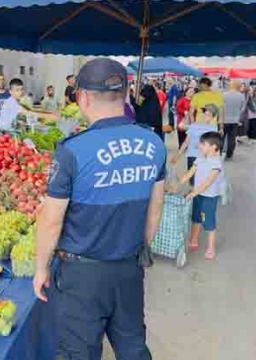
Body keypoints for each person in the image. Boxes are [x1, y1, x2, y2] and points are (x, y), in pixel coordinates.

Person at [33, 58, 165, 360]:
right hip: (128, 267)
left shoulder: (72, 150)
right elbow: (155, 207)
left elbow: (51, 222)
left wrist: (41, 268)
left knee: (78, 351)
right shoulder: (153, 142)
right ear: (126, 93)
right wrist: (137, 249)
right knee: (132, 344)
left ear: (84, 97)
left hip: (82, 275)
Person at [177, 131, 225, 260]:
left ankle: (211, 247)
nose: (199, 146)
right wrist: (177, 184)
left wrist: (192, 193)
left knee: (208, 221)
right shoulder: (200, 158)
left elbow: (208, 183)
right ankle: (193, 240)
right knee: (196, 218)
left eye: (203, 144)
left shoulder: (216, 164)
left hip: (209, 197)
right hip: (198, 195)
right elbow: (190, 173)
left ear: (214, 147)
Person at [171, 104, 220, 184]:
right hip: (192, 156)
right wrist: (177, 155)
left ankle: (195, 193)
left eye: (208, 115)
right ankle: (193, 192)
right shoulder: (194, 126)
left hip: (205, 158)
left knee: (202, 179)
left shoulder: (213, 129)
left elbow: (215, 147)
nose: (205, 116)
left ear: (213, 117)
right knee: (192, 179)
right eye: (204, 113)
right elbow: (186, 142)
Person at [222, 80, 247, 159]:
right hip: (235, 120)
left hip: (223, 119)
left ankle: (219, 152)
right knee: (232, 138)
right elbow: (242, 109)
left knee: (221, 137)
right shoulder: (241, 96)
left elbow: (220, 107)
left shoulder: (224, 94)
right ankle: (229, 154)